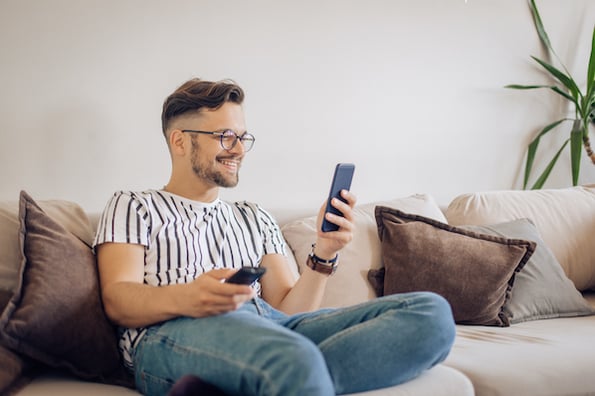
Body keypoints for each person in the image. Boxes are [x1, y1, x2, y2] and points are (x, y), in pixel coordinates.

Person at [93, 78, 455, 396]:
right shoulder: (135, 205)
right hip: (176, 333)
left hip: (269, 327)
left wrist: (325, 253)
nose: (238, 149)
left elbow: (288, 311)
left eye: (242, 137)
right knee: (291, 355)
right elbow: (118, 300)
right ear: (180, 141)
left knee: (431, 316)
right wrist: (190, 297)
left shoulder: (254, 215)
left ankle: (258, 381)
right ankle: (280, 374)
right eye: (225, 136)